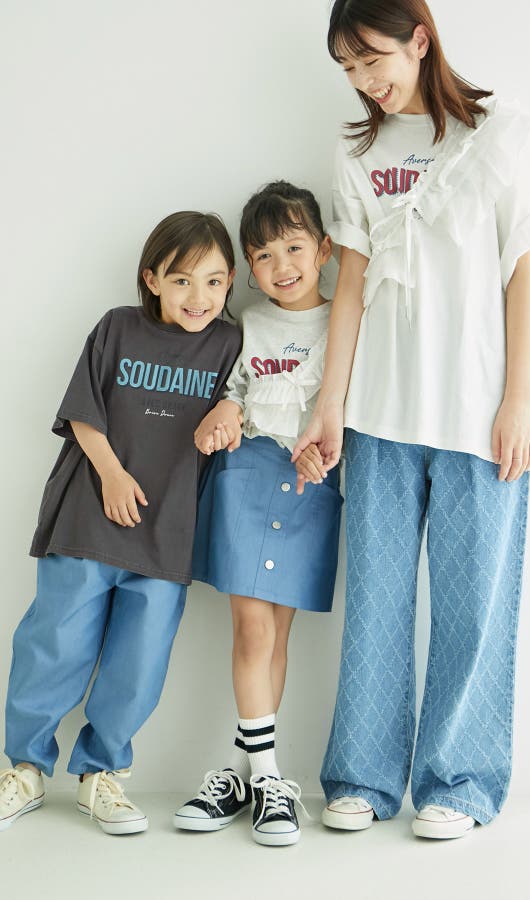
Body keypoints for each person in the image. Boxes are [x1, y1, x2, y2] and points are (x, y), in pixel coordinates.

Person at [291, 0, 530, 840]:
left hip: (477, 413)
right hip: (380, 412)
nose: (364, 80)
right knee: (375, 605)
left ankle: (459, 782)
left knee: (474, 611)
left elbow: (523, 269)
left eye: (372, 58)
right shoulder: (357, 151)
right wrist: (331, 404)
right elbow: (351, 285)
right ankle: (362, 777)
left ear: (420, 40)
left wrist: (519, 399)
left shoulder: (498, 133)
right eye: (348, 68)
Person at [0, 212, 241, 835]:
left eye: (215, 281)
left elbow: (251, 399)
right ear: (152, 279)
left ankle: (102, 775)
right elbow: (83, 411)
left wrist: (233, 410)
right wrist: (112, 476)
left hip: (167, 530)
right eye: (182, 280)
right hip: (90, 515)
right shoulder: (117, 326)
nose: (198, 297)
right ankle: (25, 771)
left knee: (139, 662)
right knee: (54, 644)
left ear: (230, 283)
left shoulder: (230, 345)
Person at [173, 182, 341, 846]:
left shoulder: (346, 321)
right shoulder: (248, 322)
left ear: (324, 250)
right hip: (248, 476)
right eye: (264, 256)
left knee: (277, 636)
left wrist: (326, 450)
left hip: (310, 486)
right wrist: (226, 408)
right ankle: (272, 777)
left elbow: (349, 402)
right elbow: (235, 389)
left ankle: (243, 776)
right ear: (249, 266)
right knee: (251, 629)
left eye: (294, 248)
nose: (282, 266)